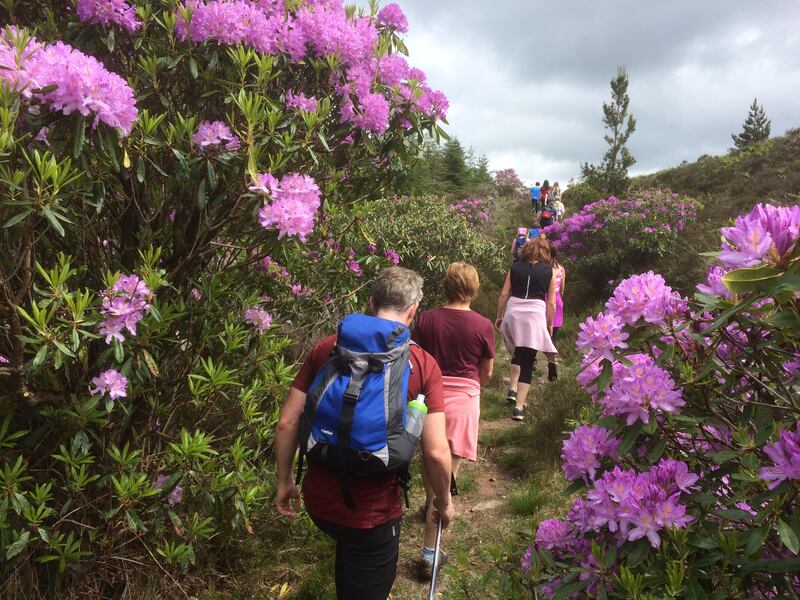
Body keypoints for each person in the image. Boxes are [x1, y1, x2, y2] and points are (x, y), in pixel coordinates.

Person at [275, 267, 454, 600]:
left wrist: (285, 482)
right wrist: (443, 503)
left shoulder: (327, 348)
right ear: (413, 310)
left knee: (348, 552)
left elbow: (286, 422)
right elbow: (436, 453)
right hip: (374, 516)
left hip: (319, 504)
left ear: (371, 302)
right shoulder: (423, 364)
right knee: (362, 560)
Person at [412, 262, 495, 578]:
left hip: (427, 400)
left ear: (445, 287)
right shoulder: (483, 325)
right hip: (462, 403)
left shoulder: (426, 319)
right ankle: (430, 554)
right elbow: (486, 372)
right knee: (445, 483)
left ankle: (428, 506)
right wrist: (472, 389)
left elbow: (415, 359)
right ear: (474, 289)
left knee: (430, 462)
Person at [494, 237, 558, 421]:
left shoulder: (514, 268)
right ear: (544, 252)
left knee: (517, 353)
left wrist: (499, 316)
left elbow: (504, 294)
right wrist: (549, 324)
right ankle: (519, 408)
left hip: (514, 312)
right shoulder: (549, 271)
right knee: (528, 361)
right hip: (534, 315)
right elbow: (552, 302)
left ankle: (512, 389)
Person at [549, 243, 566, 340]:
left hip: (543, 300)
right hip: (557, 300)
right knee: (553, 336)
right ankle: (553, 355)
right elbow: (562, 289)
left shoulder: (541, 268)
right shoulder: (561, 269)